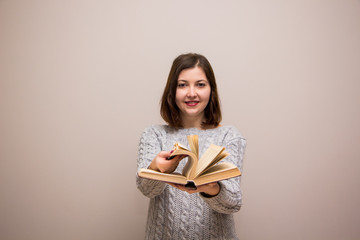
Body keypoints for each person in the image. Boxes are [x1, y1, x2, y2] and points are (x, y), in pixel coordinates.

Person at [136, 53, 246, 240]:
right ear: (172, 90)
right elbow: (146, 190)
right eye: (182, 84)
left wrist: (211, 187)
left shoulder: (229, 136)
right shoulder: (154, 134)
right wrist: (157, 168)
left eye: (200, 84)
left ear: (211, 89)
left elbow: (232, 203)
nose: (192, 93)